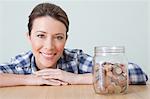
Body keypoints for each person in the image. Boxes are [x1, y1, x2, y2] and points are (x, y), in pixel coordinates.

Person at [0, 2, 148, 87]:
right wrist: (30, 79)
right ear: (29, 37)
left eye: (58, 37)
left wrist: (75, 78)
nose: (49, 46)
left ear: (66, 39)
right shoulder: (21, 64)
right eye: (41, 36)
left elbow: (138, 73)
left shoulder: (76, 60)